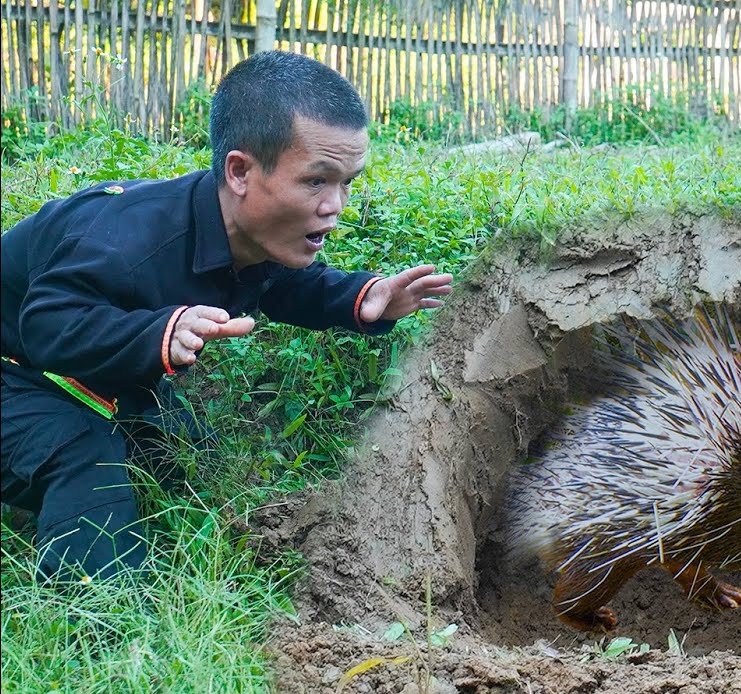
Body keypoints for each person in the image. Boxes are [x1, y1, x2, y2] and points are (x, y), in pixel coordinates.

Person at [1, 51, 453, 583]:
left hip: (70, 373)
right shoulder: (127, 239)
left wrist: (365, 297)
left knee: (182, 454)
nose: (336, 205)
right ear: (240, 171)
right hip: (16, 365)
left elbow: (284, 285)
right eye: (316, 182)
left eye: (347, 182)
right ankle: (102, 625)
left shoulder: (243, 233)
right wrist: (161, 332)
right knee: (85, 452)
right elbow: (48, 324)